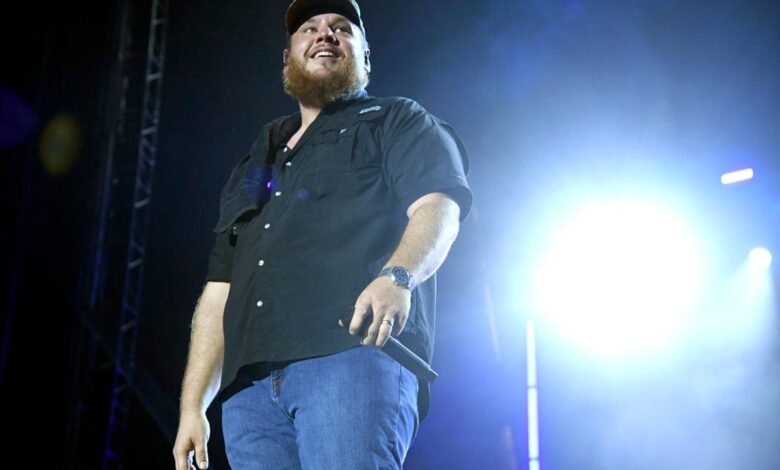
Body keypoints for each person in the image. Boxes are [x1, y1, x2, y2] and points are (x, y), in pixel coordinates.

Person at [173, 0, 472, 468]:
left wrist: (398, 276)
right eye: (308, 29)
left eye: (341, 28)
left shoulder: (396, 119)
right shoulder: (259, 159)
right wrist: (193, 406)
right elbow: (219, 289)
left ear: (365, 56)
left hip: (350, 359)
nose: (325, 34)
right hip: (249, 395)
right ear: (287, 59)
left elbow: (438, 206)